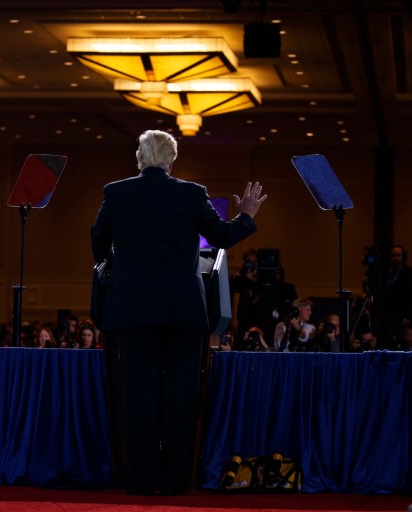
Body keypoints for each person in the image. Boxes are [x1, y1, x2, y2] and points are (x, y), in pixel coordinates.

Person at [91, 129, 266, 496]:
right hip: (183, 312)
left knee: (139, 397)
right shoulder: (192, 193)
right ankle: (174, 481)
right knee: (180, 398)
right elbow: (220, 236)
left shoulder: (116, 192)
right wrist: (246, 216)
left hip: (133, 311)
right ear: (172, 160)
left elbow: (97, 244)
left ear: (139, 158)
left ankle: (139, 479)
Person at [384, 244, 412, 344]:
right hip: (390, 316)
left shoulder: (411, 273)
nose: (395, 258)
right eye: (393, 255)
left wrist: (408, 316)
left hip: (403, 316)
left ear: (403, 257)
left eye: (398, 255)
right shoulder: (388, 273)